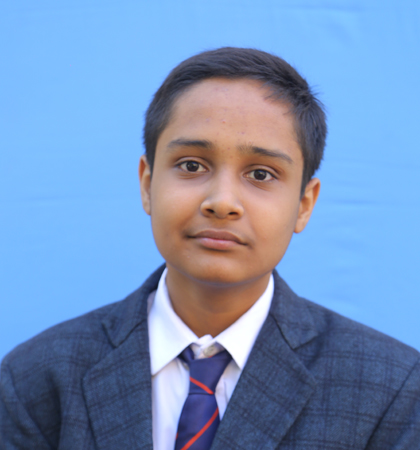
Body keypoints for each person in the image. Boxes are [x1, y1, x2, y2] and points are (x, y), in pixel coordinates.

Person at [1, 47, 419, 450]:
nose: (222, 202)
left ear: (304, 204)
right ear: (147, 184)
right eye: (191, 165)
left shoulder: (392, 391)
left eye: (261, 174)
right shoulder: (36, 379)